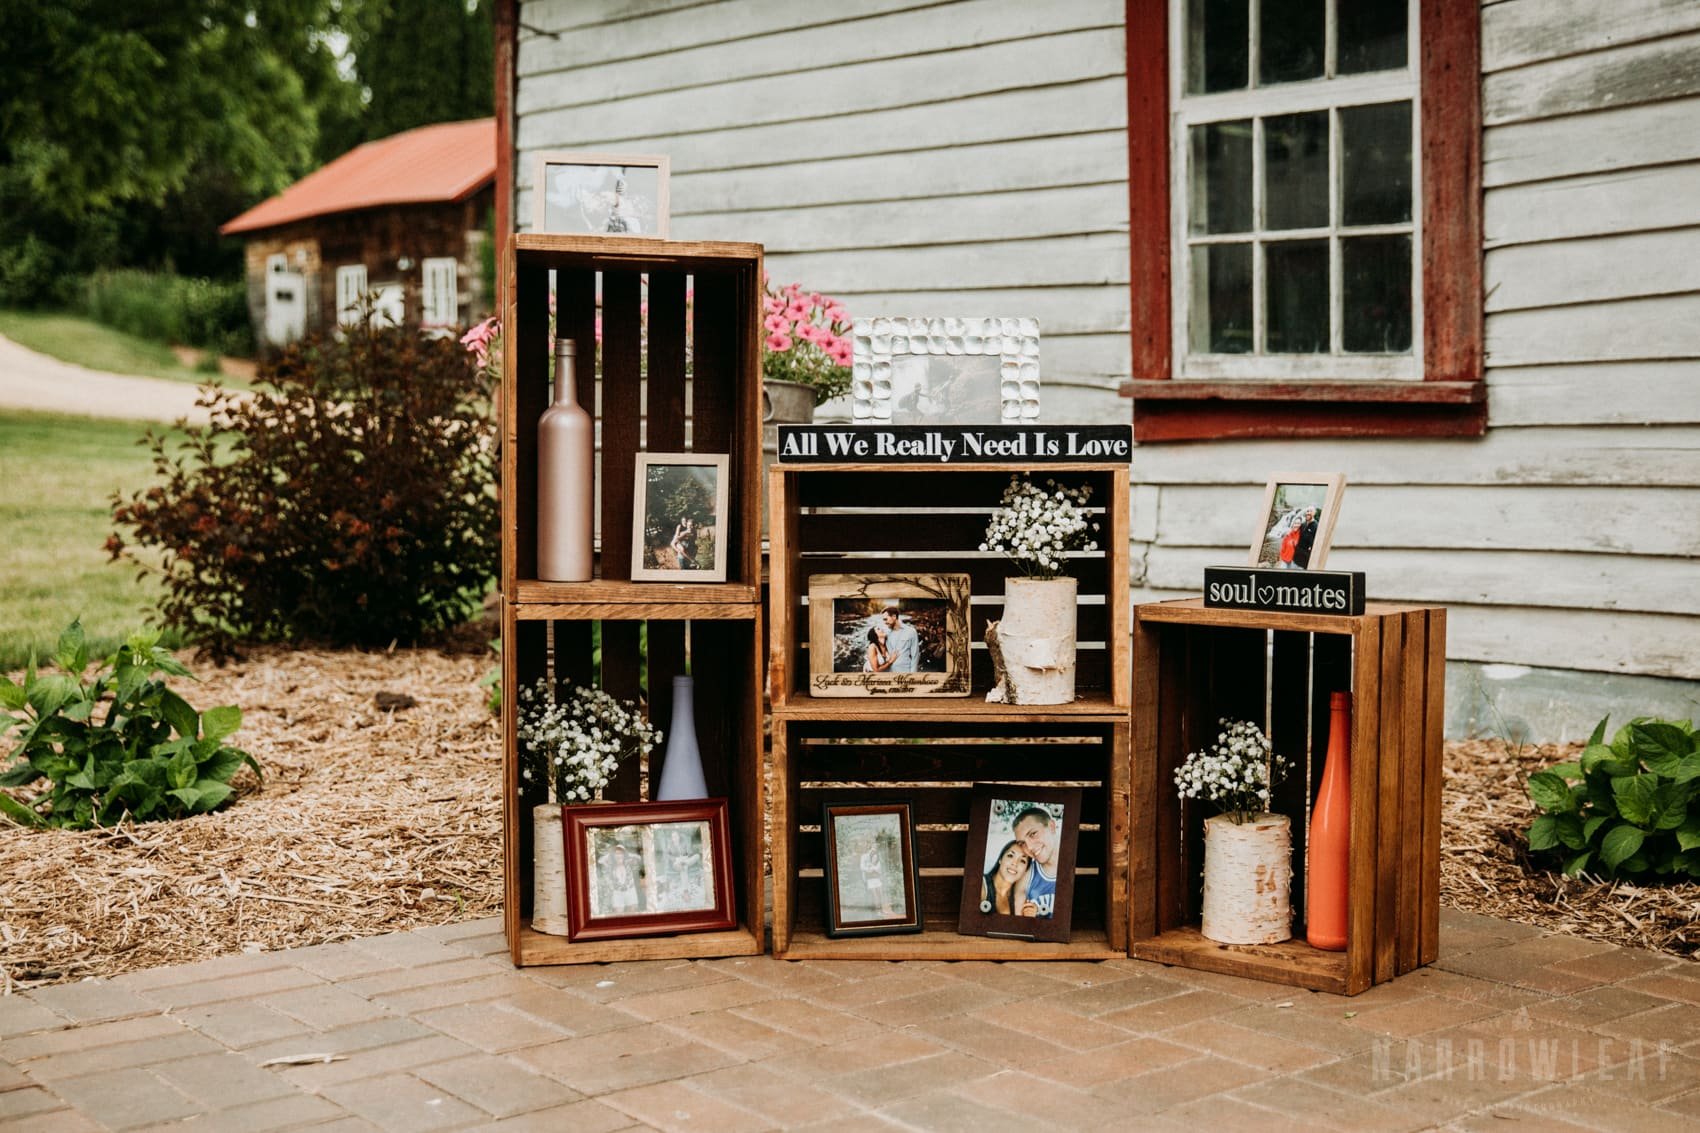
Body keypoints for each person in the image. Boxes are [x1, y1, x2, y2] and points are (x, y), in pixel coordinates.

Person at [1011, 805, 1061, 918]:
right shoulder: (1025, 880)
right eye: (1022, 843)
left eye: (1033, 834)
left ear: (1051, 827)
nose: (1029, 847)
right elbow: (1019, 926)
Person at [980, 838, 1032, 916]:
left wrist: (1030, 918)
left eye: (1022, 861)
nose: (1015, 863)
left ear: (1025, 870)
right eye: (1010, 856)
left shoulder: (1021, 901)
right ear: (1000, 859)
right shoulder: (982, 886)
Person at [860, 834, 895, 916]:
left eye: (874, 848)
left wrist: (874, 869)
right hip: (869, 879)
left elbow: (879, 867)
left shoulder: (876, 856)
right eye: (872, 848)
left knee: (880, 894)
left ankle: (882, 910)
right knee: (875, 895)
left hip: (877, 877)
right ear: (869, 847)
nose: (873, 849)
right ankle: (877, 912)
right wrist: (869, 869)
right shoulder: (864, 856)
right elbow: (862, 867)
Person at [605, 843, 642, 914]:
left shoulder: (629, 865)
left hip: (630, 891)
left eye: (621, 854)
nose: (619, 856)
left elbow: (638, 858)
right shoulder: (611, 868)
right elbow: (601, 860)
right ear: (613, 856)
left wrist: (626, 854)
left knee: (632, 913)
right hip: (617, 893)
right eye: (616, 854)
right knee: (619, 914)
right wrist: (611, 855)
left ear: (624, 855)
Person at [882, 607, 919, 673]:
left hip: (905, 672)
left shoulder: (911, 631)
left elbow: (915, 655)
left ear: (894, 616)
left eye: (886, 619)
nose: (885, 622)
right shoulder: (885, 634)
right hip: (890, 673)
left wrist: (913, 675)